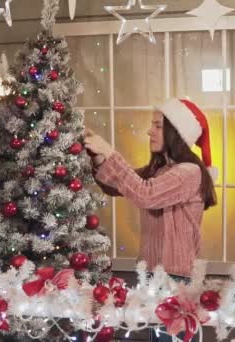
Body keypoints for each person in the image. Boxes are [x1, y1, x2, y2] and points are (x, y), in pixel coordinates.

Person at [84, 98, 218, 342]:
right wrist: (97, 156)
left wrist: (110, 151)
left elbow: (145, 194)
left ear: (175, 132)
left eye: (157, 126)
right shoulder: (160, 170)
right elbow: (117, 185)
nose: (150, 131)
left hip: (173, 278)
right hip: (152, 275)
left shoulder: (189, 172)